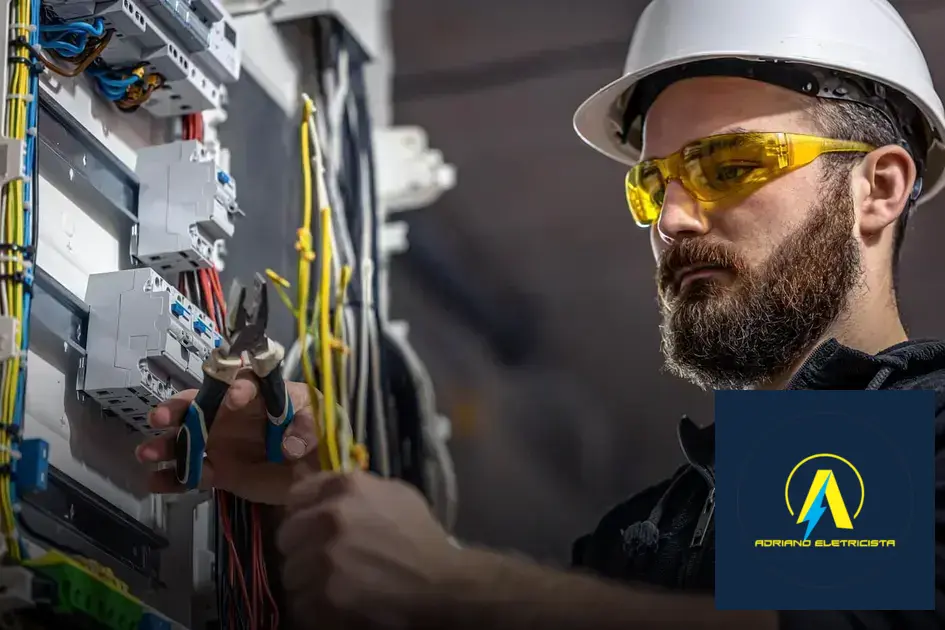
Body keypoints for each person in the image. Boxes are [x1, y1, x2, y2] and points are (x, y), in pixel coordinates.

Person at [135, 0, 945, 627]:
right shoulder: (641, 538)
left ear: (877, 189)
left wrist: (450, 584)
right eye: (651, 183)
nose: (671, 219)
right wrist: (310, 515)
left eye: (728, 164)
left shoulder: (924, 431)